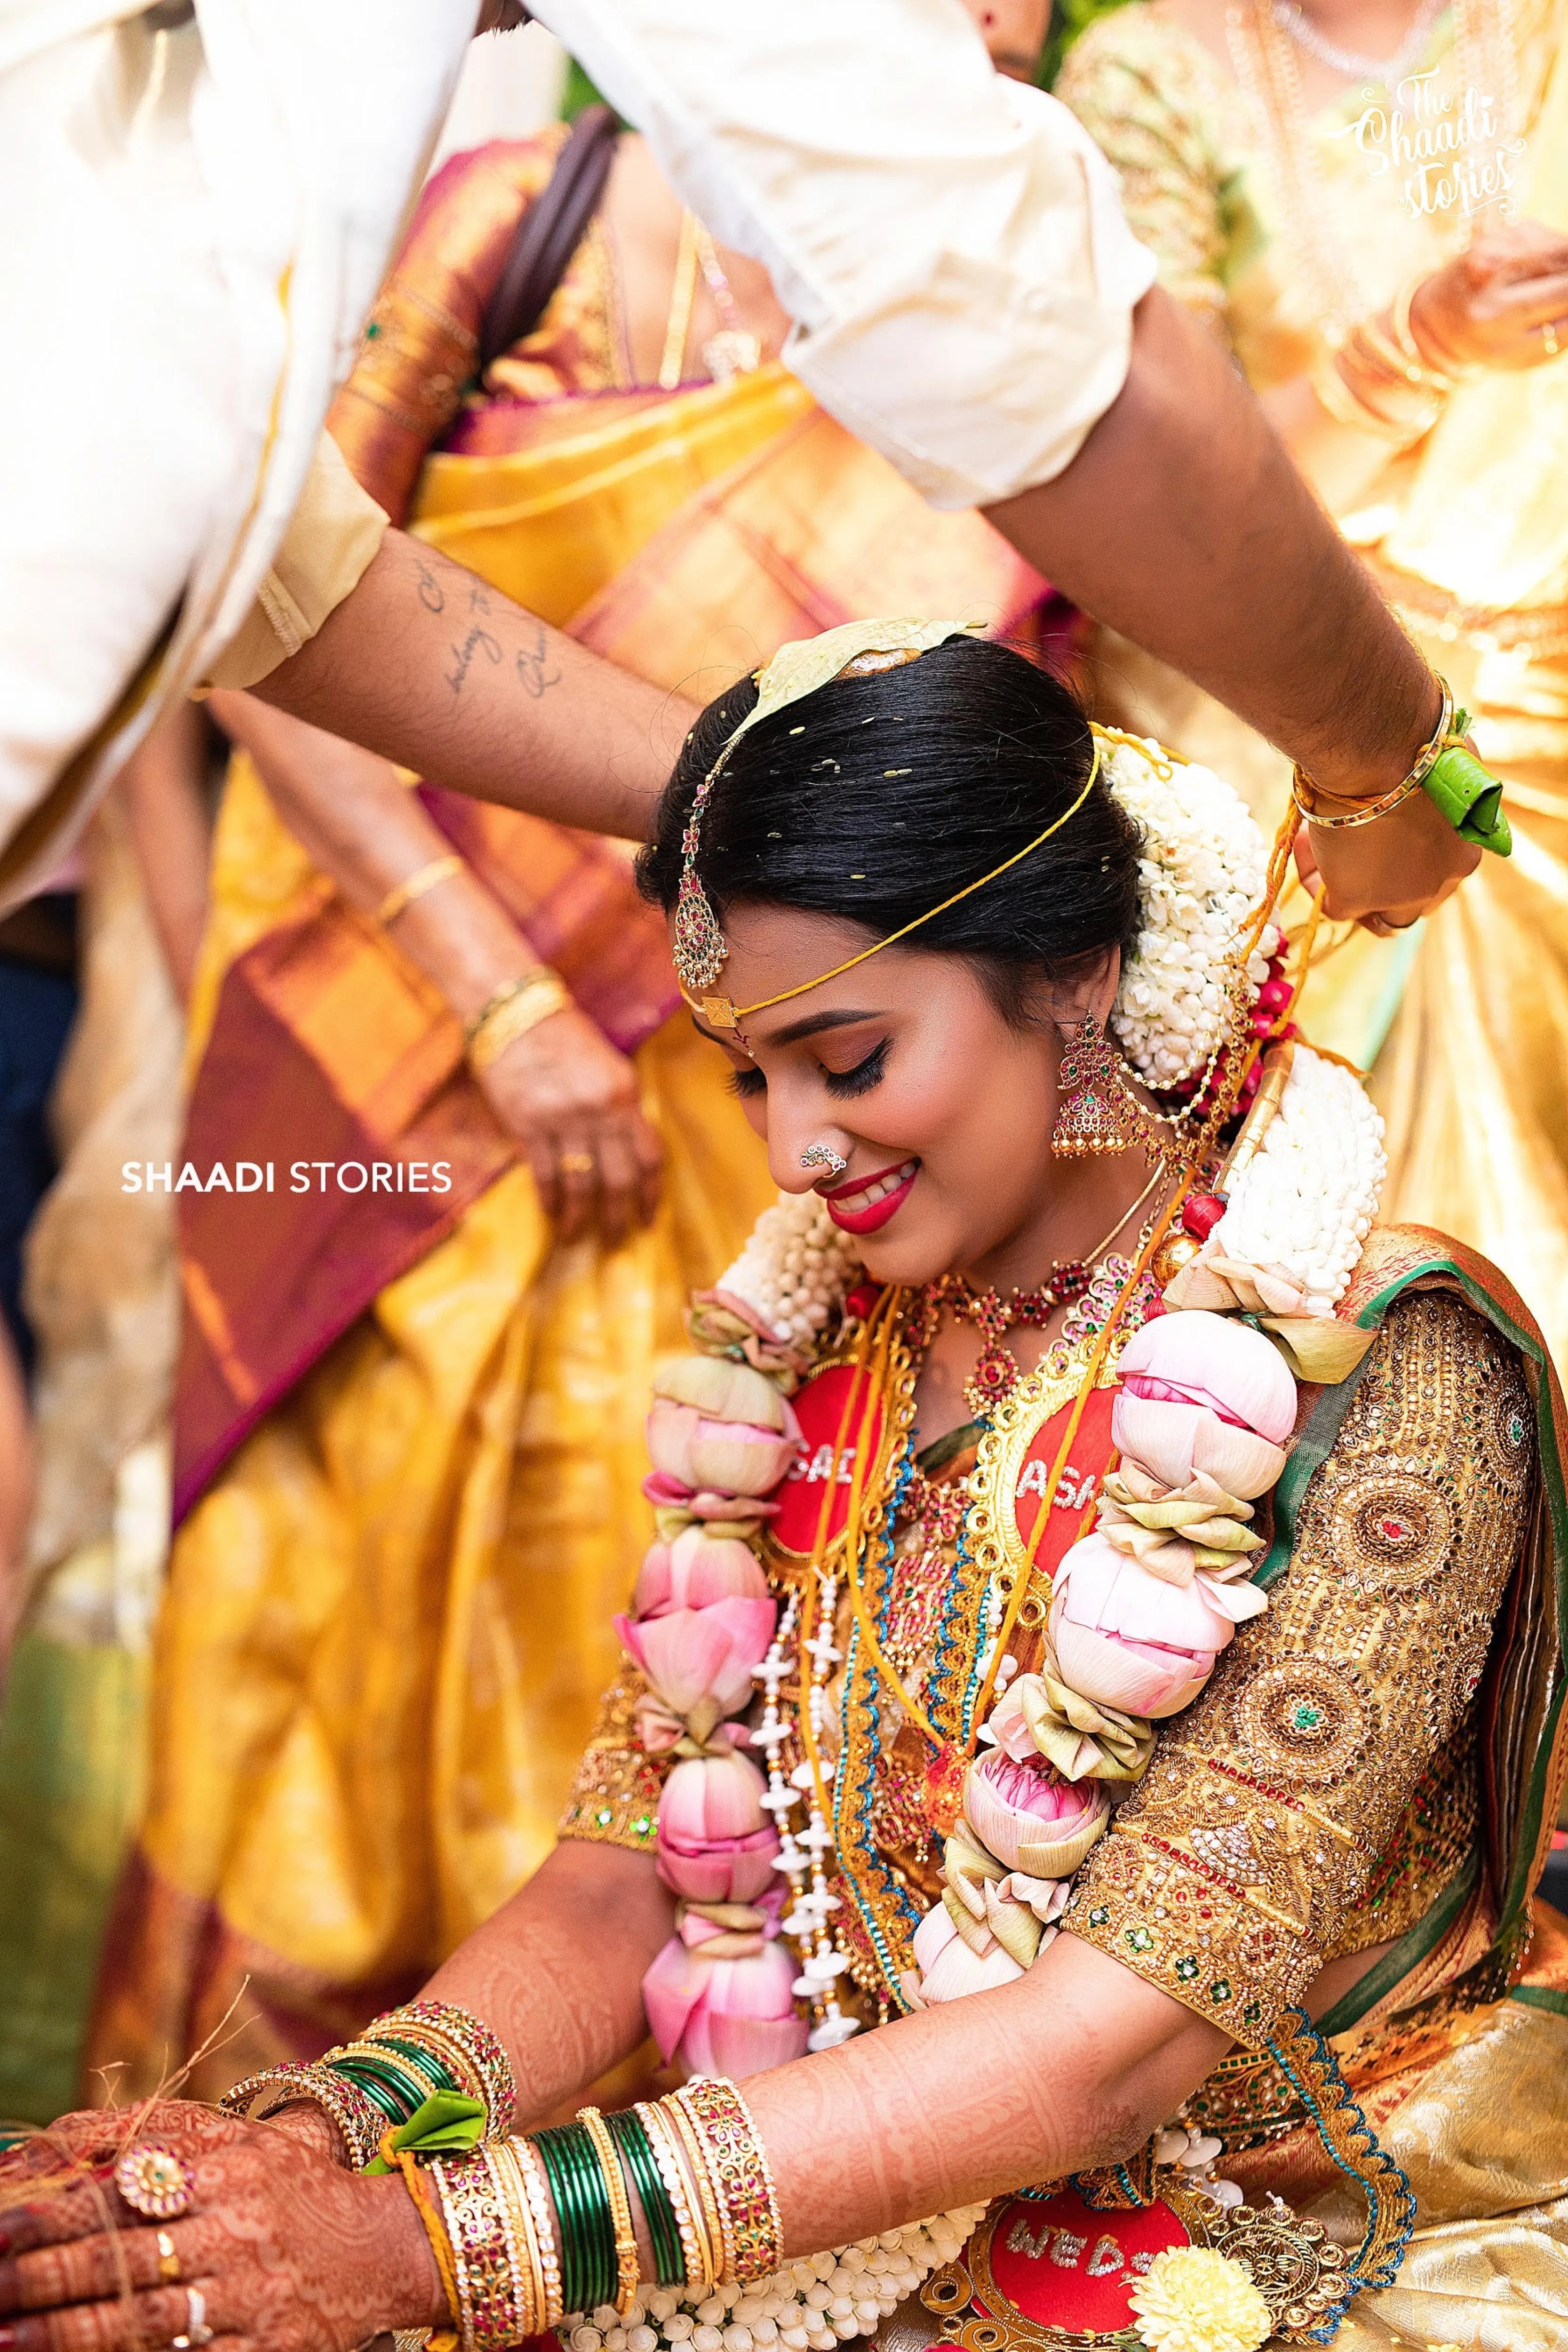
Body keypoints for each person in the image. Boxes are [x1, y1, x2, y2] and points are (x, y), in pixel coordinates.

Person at [8, 627, 1564, 2352]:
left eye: (852, 1057)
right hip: (856, 2190)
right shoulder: (823, 1341)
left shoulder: (1382, 1372)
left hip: (1293, 2236)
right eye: (752, 1073)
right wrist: (315, 2147)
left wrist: (423, 2246)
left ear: (1080, 976)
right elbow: (624, 1878)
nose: (792, 1152)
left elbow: (1105, 2049)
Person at [81, 29, 1080, 2103]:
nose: (1002, 23)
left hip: (746, 1109)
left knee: (648, 1662)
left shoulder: (1009, 316)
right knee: (313, 1666)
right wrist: (498, 992)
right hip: (381, 1065)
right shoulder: (506, 223)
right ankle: (239, 2190)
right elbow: (251, 586)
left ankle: (572, 2217)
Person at [0, 0, 1485, 942]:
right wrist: (1393, 763)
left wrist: (823, 800)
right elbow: (1019, 329)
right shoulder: (520, 210)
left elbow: (289, 572)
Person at [1056, 0, 1568, 1372]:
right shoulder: (1154, 73)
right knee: (1326, 1320)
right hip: (1301, 748)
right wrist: (1419, 345)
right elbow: (1158, 498)